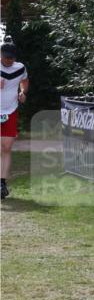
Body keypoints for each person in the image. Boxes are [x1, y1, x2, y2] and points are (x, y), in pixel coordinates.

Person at [0, 39, 29, 200]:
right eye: (6, 58)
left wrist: (23, 92)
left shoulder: (20, 68)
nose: (9, 61)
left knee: (6, 147)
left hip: (10, 111)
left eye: (11, 58)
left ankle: (1, 183)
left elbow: (24, 80)